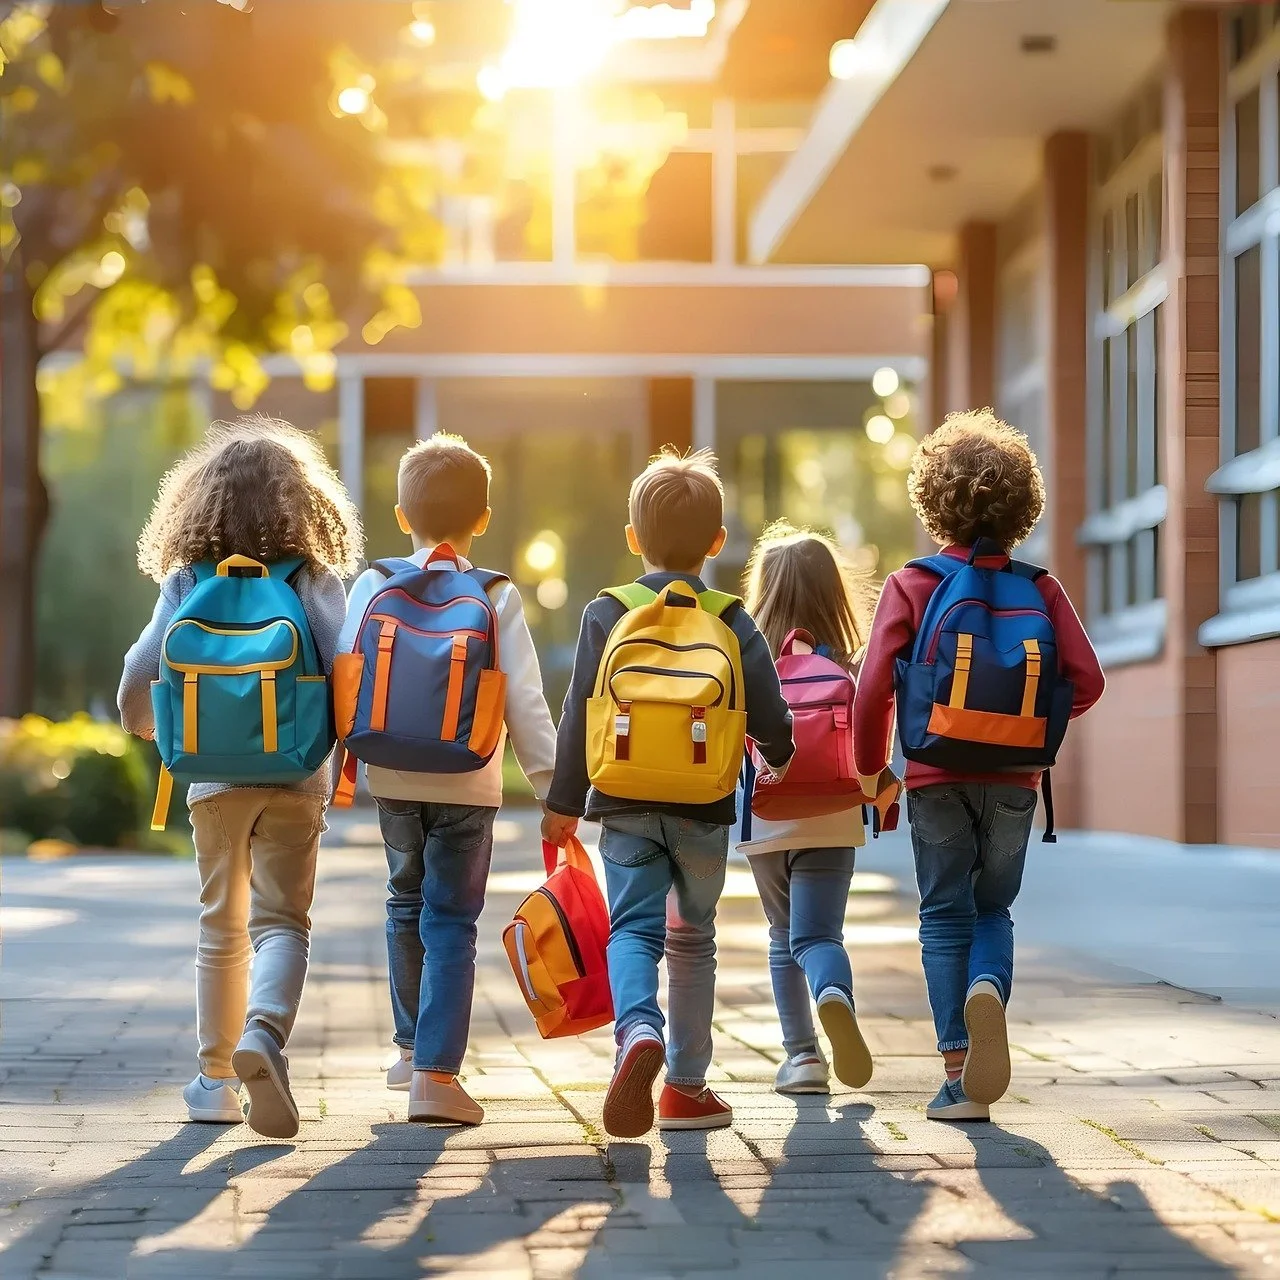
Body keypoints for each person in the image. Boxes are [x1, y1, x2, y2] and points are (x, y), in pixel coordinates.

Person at [854, 410, 1104, 1122]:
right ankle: (988, 986)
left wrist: (873, 773)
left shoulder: (912, 584)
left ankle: (959, 1071)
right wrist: (1029, 730)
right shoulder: (1042, 588)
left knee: (942, 915)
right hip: (1016, 783)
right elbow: (1088, 683)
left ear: (932, 503)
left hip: (934, 776)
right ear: (1024, 509)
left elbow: (872, 685)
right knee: (992, 908)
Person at [118, 415, 361, 1137]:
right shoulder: (313, 577)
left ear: (201, 503)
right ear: (301, 504)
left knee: (220, 930)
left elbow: (139, 675)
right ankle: (266, 1032)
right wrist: (349, 757)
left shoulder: (186, 579)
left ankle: (216, 1082)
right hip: (297, 773)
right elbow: (346, 669)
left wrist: (149, 727)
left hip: (212, 779)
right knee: (283, 922)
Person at [545, 448, 794, 1138]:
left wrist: (563, 803)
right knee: (694, 939)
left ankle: (636, 1033)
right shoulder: (732, 618)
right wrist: (779, 755)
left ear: (633, 538)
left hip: (623, 801)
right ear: (717, 543)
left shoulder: (606, 612)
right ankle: (685, 1088)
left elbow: (578, 716)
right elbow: (768, 714)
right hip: (705, 805)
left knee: (633, 930)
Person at [337, 433, 565, 1126]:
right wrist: (554, 787)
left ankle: (411, 1050)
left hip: (392, 776)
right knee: (451, 922)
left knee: (404, 904)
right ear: (483, 518)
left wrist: (334, 777)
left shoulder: (373, 583)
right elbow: (524, 699)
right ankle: (436, 1075)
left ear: (402, 516)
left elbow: (344, 680)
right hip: (469, 784)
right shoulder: (495, 593)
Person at [737, 521, 893, 1096]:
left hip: (766, 817)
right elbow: (873, 743)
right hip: (834, 816)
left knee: (783, 937)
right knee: (820, 936)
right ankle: (834, 992)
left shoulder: (747, 657)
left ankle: (802, 1057)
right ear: (834, 594)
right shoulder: (850, 664)